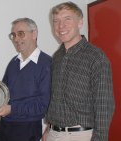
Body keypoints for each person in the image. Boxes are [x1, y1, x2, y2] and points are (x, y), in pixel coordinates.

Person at [42, 2, 115, 141]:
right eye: (56, 21)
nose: (60, 26)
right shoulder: (57, 56)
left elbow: (104, 106)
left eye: (67, 19)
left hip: (81, 136)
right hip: (53, 134)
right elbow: (56, 98)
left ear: (80, 23)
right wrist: (48, 129)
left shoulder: (96, 57)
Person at [0, 18, 52, 141]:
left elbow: (43, 106)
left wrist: (12, 109)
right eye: (13, 35)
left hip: (28, 129)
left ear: (34, 34)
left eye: (21, 34)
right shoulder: (13, 62)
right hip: (5, 127)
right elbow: (3, 94)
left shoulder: (47, 64)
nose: (16, 39)